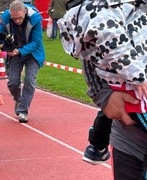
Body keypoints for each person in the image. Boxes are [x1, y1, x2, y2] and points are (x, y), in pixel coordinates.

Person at [58, 0, 147, 179]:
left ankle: (97, 144)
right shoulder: (104, 10)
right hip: (129, 136)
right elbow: (92, 50)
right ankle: (97, 144)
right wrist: (104, 95)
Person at [0, 0, 45, 123]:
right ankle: (19, 99)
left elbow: (36, 42)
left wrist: (20, 51)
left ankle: (23, 111)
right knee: (13, 82)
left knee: (30, 80)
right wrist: (3, 38)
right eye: (14, 18)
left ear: (25, 12)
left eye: (20, 18)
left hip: (33, 53)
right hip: (14, 52)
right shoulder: (6, 18)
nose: (17, 21)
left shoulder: (35, 19)